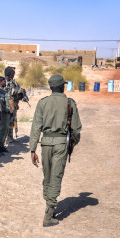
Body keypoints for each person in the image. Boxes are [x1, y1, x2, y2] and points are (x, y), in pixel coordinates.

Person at [29, 74, 82, 227]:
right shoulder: (69, 103)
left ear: (51, 87)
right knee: (56, 176)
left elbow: (35, 128)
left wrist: (32, 149)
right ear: (62, 86)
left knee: (48, 175)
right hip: (60, 144)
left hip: (45, 144)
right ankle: (49, 213)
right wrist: (72, 143)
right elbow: (76, 129)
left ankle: (49, 203)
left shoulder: (42, 103)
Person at [4, 66, 23, 143]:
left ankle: (10, 137)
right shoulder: (4, 81)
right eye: (13, 73)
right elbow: (8, 93)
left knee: (12, 121)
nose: (14, 75)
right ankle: (5, 138)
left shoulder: (13, 82)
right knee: (6, 121)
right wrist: (17, 91)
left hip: (13, 104)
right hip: (6, 105)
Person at [0, 77, 12, 153]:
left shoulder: (4, 91)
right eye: (4, 81)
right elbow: (1, 104)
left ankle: (2, 145)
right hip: (3, 113)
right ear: (1, 82)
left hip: (7, 113)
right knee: (2, 130)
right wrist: (8, 109)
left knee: (5, 129)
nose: (5, 83)